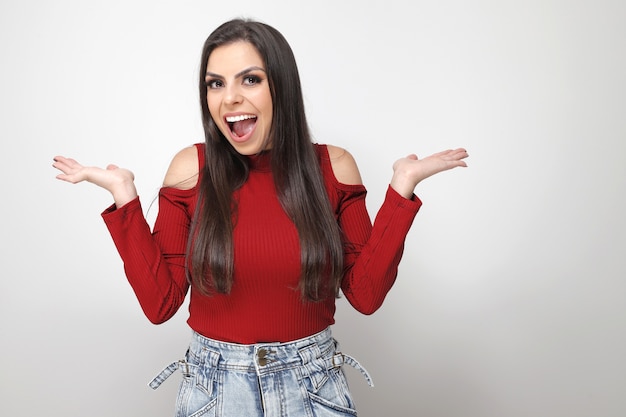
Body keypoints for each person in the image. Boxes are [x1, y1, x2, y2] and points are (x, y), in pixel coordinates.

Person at [52, 18, 468, 417]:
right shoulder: (191, 169)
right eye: (215, 83)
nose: (229, 98)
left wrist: (402, 187)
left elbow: (366, 295)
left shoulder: (334, 167)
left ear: (281, 88)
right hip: (214, 391)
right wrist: (124, 197)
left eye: (250, 79)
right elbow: (161, 303)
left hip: (313, 386)